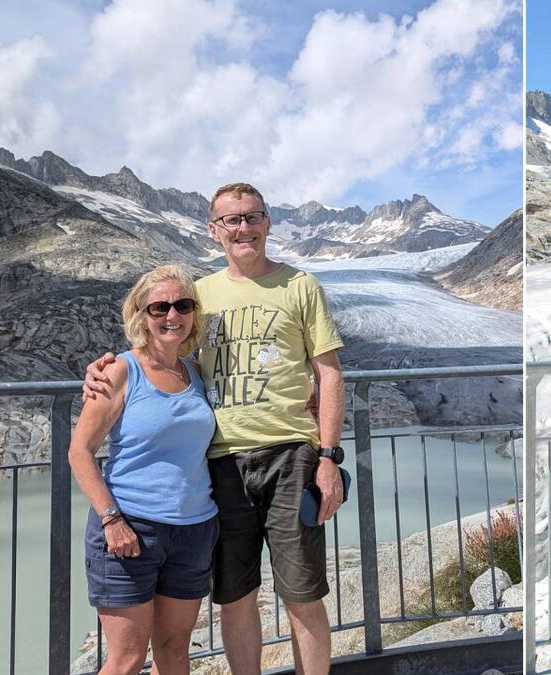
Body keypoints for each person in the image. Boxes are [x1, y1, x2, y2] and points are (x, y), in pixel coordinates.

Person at [86, 183, 347, 675]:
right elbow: (161, 353)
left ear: (268, 222)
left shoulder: (300, 285)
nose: (243, 227)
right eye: (231, 219)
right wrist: (105, 367)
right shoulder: (197, 297)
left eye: (252, 216)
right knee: (235, 595)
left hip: (291, 453)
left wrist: (329, 457)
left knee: (302, 593)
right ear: (214, 230)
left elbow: (329, 373)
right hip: (220, 463)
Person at [69, 264, 219, 675]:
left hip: (193, 530)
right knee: (127, 659)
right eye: (159, 307)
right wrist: (111, 519)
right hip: (130, 529)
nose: (172, 315)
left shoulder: (195, 372)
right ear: (141, 315)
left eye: (183, 305)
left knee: (174, 652)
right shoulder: (119, 370)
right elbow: (80, 451)